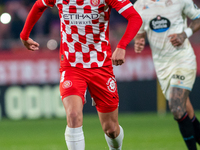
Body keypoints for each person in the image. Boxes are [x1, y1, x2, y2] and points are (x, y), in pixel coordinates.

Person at [20, 0, 142, 149]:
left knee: (111, 129)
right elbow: (39, 5)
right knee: (73, 115)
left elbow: (135, 18)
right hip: (71, 67)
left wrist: (122, 46)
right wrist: (24, 35)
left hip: (101, 66)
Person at [133, 0, 200, 149]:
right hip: (162, 67)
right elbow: (140, 32)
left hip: (183, 59)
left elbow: (198, 18)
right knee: (186, 112)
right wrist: (139, 40)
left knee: (176, 106)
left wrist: (185, 34)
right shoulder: (139, 5)